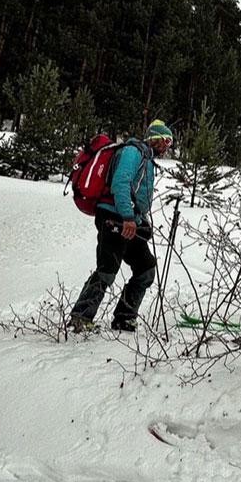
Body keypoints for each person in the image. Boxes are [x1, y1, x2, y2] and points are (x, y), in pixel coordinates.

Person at [68, 119, 173, 333]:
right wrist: (127, 216)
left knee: (146, 269)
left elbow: (136, 192)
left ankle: (124, 318)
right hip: (114, 217)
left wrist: (139, 220)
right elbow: (120, 183)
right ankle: (80, 318)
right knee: (107, 269)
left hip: (129, 220)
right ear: (155, 138)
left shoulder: (146, 158)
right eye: (166, 140)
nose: (167, 146)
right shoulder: (133, 152)